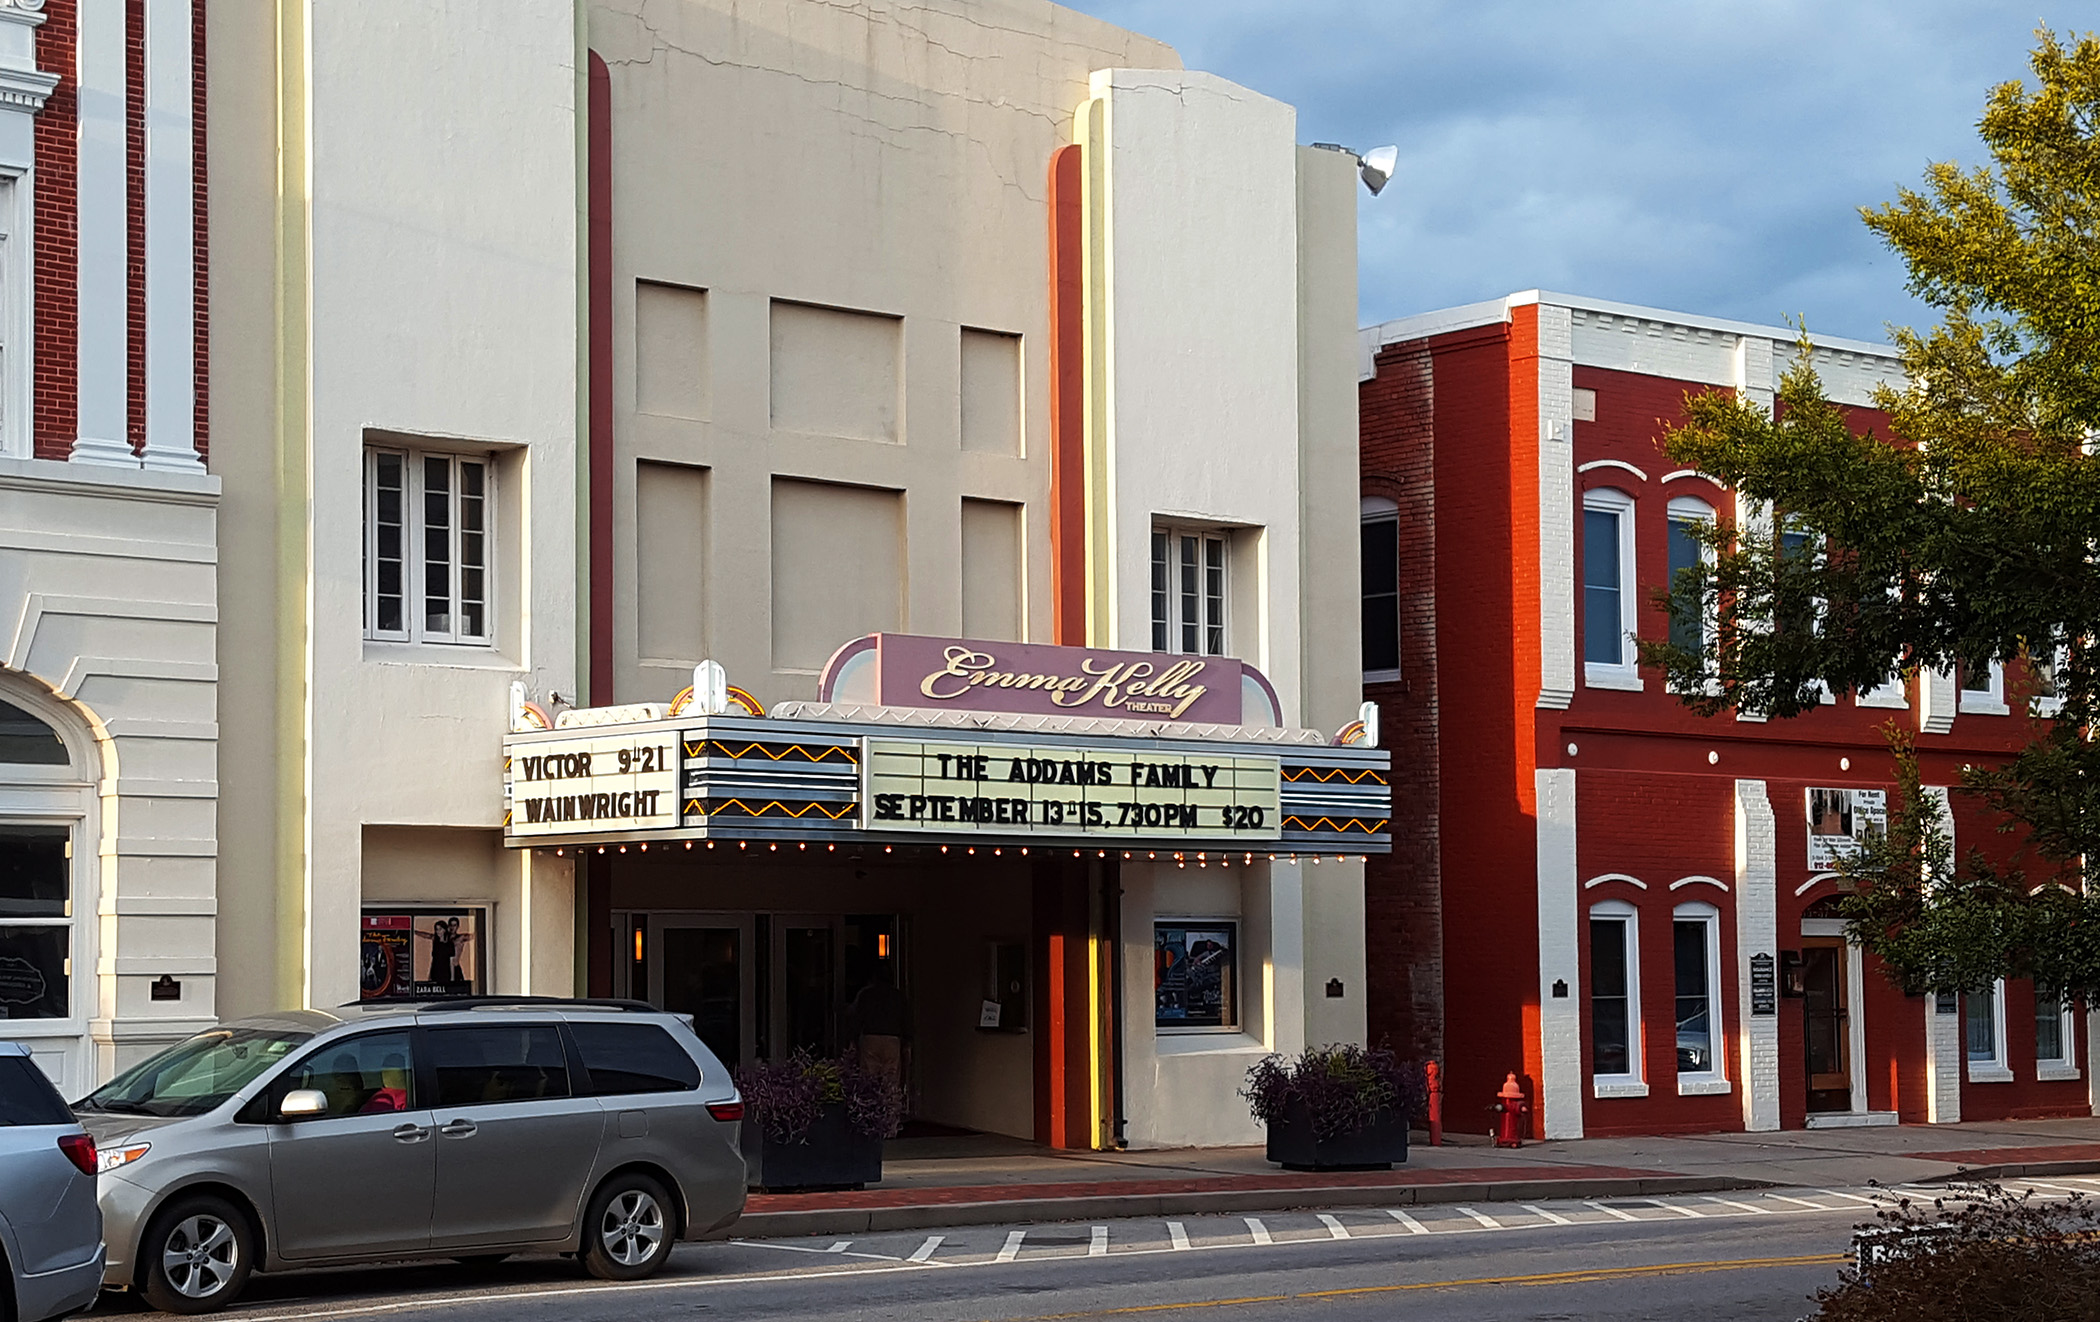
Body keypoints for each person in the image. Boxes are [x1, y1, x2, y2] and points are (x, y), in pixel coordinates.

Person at [849, 964, 910, 1098]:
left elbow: (856, 1018)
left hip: (870, 1038)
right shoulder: (898, 996)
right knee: (891, 1079)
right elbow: (906, 1020)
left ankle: (871, 1110)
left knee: (869, 1079)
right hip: (892, 1040)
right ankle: (890, 1110)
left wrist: (854, 1040)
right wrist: (906, 1043)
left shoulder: (865, 994)